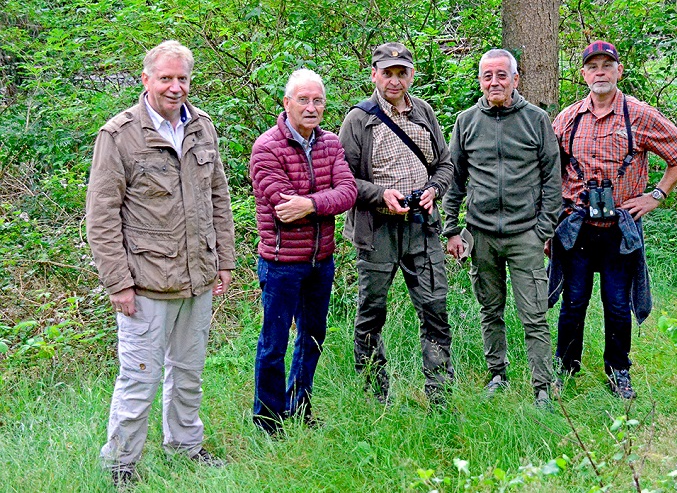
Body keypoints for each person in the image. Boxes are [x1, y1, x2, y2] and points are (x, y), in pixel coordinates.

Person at [86, 40, 235, 486]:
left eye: (182, 78)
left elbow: (219, 197)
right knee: (139, 381)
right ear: (147, 78)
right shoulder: (119, 135)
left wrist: (224, 260)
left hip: (198, 279)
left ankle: (185, 448)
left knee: (189, 374)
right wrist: (118, 284)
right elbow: (101, 217)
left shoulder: (201, 127)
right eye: (166, 78)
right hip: (145, 284)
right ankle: (120, 465)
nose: (175, 87)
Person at [550, 41, 677, 399]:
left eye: (607, 65)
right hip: (577, 227)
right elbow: (548, 168)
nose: (600, 72)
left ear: (619, 71)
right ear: (584, 74)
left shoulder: (639, 114)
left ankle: (618, 372)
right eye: (593, 66)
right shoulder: (567, 118)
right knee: (573, 301)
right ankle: (564, 370)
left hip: (620, 229)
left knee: (617, 304)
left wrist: (656, 194)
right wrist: (549, 220)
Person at [442, 49, 562, 408]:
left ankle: (543, 385)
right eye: (487, 76)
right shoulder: (466, 122)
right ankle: (497, 373)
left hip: (526, 234)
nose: (494, 82)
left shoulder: (536, 120)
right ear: (480, 81)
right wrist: (451, 229)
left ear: (515, 79)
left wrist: (542, 230)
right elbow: (454, 179)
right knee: (489, 309)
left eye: (501, 75)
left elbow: (552, 181)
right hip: (481, 235)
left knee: (535, 314)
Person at [339, 42, 455, 405]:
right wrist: (379, 194)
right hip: (377, 230)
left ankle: (441, 395)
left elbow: (445, 165)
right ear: (374, 74)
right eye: (386, 73)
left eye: (401, 72)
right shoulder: (359, 119)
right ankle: (376, 397)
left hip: (422, 227)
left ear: (411, 75)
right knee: (371, 312)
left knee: (435, 308)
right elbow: (343, 179)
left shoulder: (423, 112)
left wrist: (434, 190)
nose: (394, 80)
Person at [249, 69, 357, 432]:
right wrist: (322, 202)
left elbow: (349, 192)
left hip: (320, 260)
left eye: (317, 101)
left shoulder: (330, 144)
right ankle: (268, 420)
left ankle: (300, 407)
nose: (311, 107)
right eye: (303, 100)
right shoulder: (267, 148)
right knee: (274, 343)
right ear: (287, 103)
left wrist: (309, 204)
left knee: (312, 338)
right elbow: (282, 205)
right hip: (281, 264)